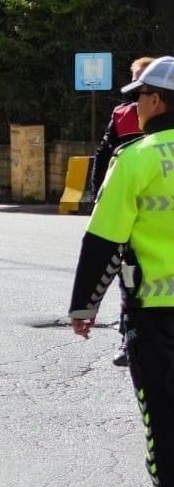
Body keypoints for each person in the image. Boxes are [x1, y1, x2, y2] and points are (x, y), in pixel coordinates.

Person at [69, 55, 174, 487]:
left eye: (139, 98)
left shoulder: (136, 157)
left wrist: (85, 307)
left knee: (165, 416)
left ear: (155, 100)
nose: (135, 107)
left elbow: (105, 242)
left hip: (157, 314)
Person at [90, 56, 156, 367]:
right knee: (128, 274)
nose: (136, 89)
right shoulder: (122, 116)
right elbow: (103, 156)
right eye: (134, 79)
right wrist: (97, 198)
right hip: (132, 212)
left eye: (142, 82)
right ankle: (126, 339)